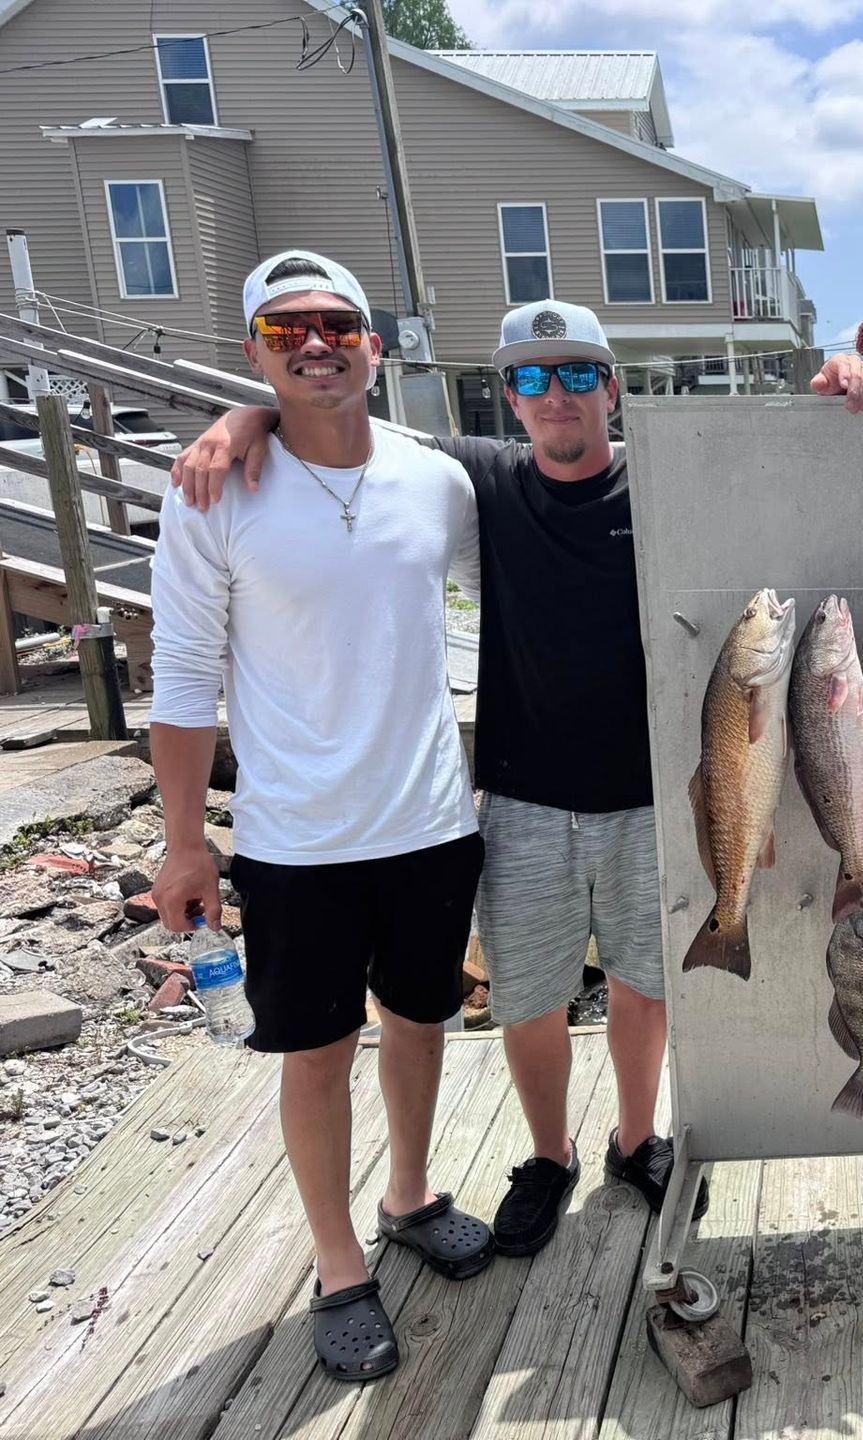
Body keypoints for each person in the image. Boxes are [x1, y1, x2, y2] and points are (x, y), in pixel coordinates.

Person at [173, 315, 863, 1261]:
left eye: (580, 373)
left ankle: (637, 1140)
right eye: (534, 376)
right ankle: (550, 1155)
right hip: (520, 797)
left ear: (612, 388)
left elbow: (775, 470)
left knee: (641, 979)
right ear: (511, 397)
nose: (558, 394)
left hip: (650, 794)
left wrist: (835, 384)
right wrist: (247, 415)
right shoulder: (482, 478)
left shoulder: (667, 479)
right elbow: (333, 421)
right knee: (532, 995)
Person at [149, 250, 492, 1384]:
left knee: (421, 1019)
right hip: (297, 837)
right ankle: (339, 1265)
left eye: (338, 324)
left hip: (432, 817)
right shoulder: (212, 487)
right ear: (255, 351)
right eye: (285, 328)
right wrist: (187, 839)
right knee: (314, 1048)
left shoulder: (435, 480)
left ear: (373, 345)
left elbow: (504, 580)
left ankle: (408, 1194)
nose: (315, 342)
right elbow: (185, 677)